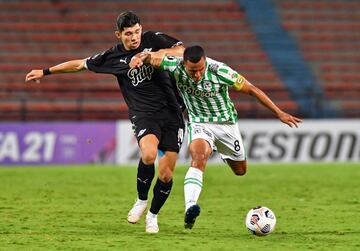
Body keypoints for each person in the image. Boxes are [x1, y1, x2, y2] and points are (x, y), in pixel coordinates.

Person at [25, 11, 186, 234]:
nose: (134, 37)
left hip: (172, 114)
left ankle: (153, 216)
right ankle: (141, 201)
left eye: (137, 31)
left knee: (166, 174)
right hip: (144, 114)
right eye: (128, 34)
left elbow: (182, 51)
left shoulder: (153, 39)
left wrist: (153, 55)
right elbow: (80, 64)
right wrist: (45, 71)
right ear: (118, 34)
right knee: (148, 155)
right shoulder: (112, 57)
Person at [133, 45, 302, 229]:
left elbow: (251, 89)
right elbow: (148, 58)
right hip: (200, 123)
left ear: (205, 63)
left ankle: (222, 152)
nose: (197, 75)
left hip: (226, 125)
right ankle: (190, 207)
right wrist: (140, 58)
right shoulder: (175, 66)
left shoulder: (220, 71)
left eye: (200, 70)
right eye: (192, 71)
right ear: (184, 64)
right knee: (198, 159)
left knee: (240, 170)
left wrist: (278, 113)